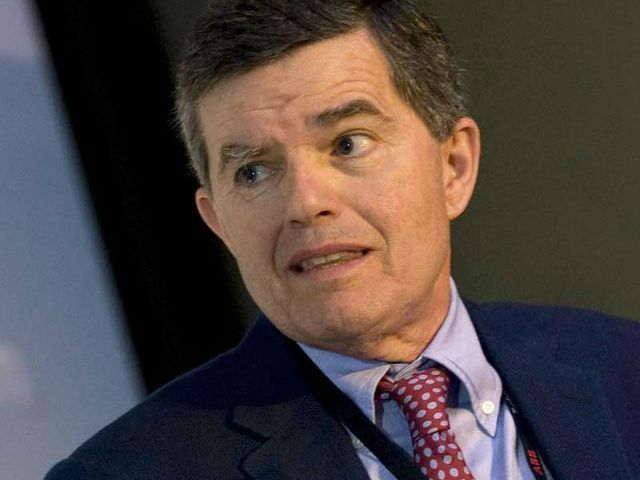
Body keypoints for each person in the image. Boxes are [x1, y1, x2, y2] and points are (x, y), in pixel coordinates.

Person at [45, 1, 639, 479]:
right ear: (219, 223)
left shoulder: (624, 369)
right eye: (253, 171)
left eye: (348, 143)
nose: (306, 203)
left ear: (452, 167)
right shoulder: (126, 472)